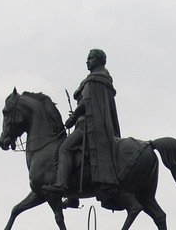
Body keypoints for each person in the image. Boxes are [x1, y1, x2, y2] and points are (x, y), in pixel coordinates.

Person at [43, 48, 121, 201]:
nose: (87, 61)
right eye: (88, 58)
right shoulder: (102, 80)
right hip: (92, 124)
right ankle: (73, 198)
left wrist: (74, 117)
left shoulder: (94, 80)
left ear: (99, 61)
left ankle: (61, 184)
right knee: (75, 152)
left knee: (64, 148)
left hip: (87, 125)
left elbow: (86, 102)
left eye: (90, 58)